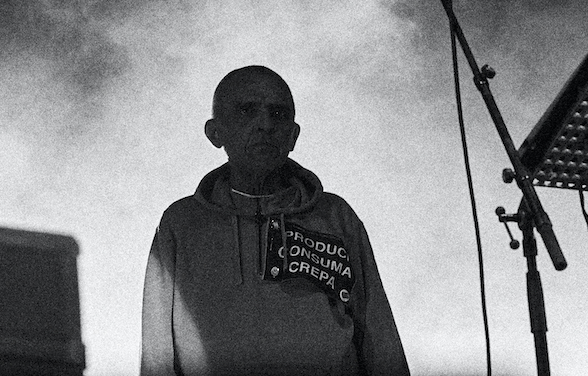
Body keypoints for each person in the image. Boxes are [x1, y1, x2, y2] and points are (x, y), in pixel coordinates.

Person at [140, 65, 410, 376]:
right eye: (247, 111)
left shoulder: (335, 216)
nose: (266, 124)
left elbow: (378, 333)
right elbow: (157, 351)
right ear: (215, 133)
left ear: (293, 136)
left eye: (278, 114)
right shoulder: (182, 224)